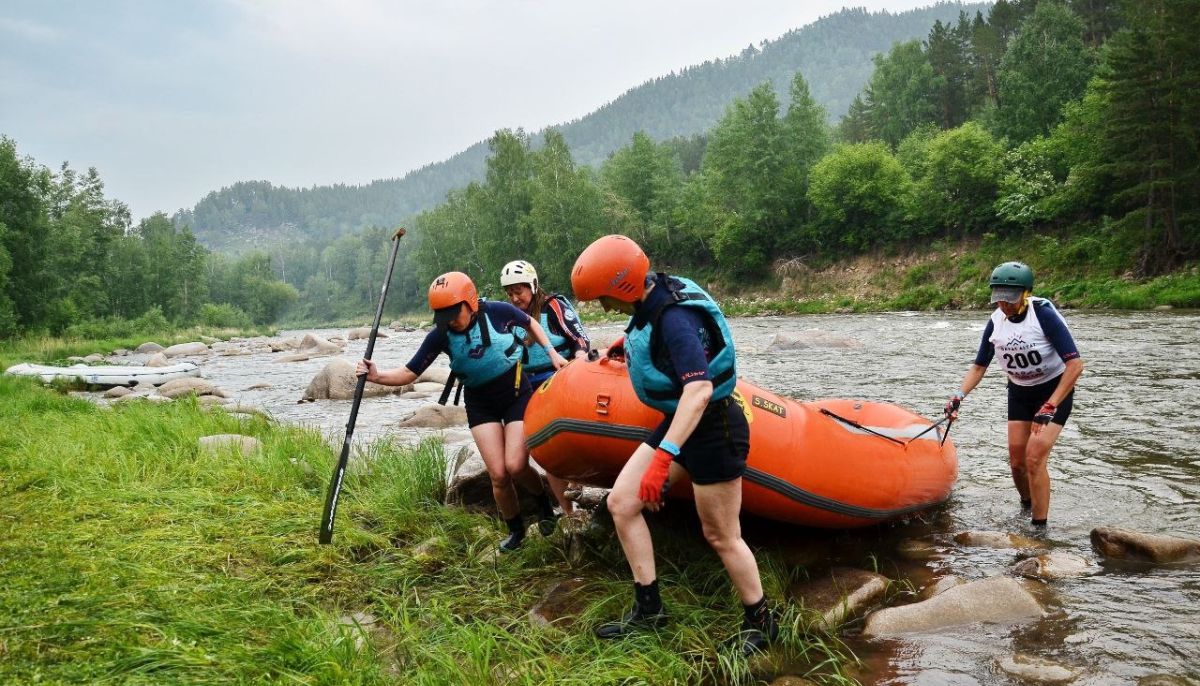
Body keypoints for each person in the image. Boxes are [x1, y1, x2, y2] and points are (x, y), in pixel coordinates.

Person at [570, 234, 777, 656]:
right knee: (622, 503)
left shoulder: (675, 320)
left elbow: (699, 390)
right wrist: (626, 348)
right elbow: (659, 349)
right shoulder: (653, 297)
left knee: (721, 535)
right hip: (681, 423)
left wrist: (664, 458)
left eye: (604, 297)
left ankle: (761, 620)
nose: (603, 307)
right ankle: (650, 610)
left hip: (715, 428)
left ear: (623, 286)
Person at [357, 271, 568, 552]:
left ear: (470, 303)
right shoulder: (440, 336)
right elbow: (410, 372)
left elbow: (529, 322)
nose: (451, 320)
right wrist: (376, 375)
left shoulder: (497, 311)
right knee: (499, 475)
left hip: (516, 392)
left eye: (455, 312)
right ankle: (515, 530)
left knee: (516, 465)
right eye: (444, 315)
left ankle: (543, 505)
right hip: (480, 402)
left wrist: (552, 353)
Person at [945, 261, 1084, 529]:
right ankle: (1027, 505)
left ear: (1025, 294)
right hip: (1020, 393)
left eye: (1010, 299)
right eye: (999, 299)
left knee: (1034, 458)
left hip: (1053, 392)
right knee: (1017, 463)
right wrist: (958, 396)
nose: (1004, 305)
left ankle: (1039, 529)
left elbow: (1075, 365)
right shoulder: (995, 321)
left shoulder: (1042, 314)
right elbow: (978, 366)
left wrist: (1050, 405)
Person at [500, 259, 591, 515]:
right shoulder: (509, 317)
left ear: (533, 285)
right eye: (510, 293)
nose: (515, 298)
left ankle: (578, 484)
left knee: (565, 439)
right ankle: (568, 512)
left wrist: (580, 360)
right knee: (547, 451)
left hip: (558, 377)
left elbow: (580, 338)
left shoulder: (555, 306)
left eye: (519, 291)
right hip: (527, 386)